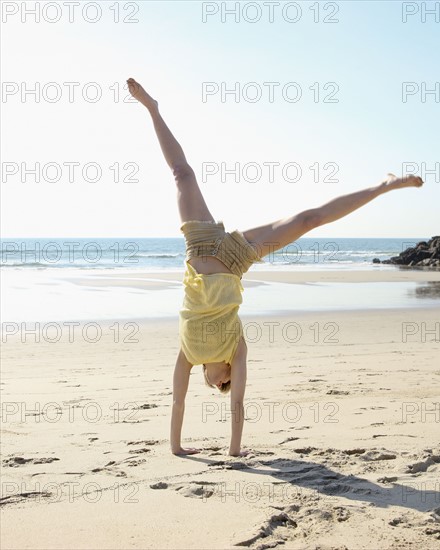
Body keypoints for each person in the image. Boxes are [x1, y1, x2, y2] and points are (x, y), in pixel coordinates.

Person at [126, 78, 423, 457]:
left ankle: (152, 108)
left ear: (208, 376)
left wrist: (176, 447)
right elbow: (239, 405)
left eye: (220, 384)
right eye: (227, 383)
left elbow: (177, 403)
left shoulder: (188, 354)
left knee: (183, 174)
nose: (225, 383)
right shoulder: (237, 350)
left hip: (199, 243)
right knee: (309, 219)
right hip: (234, 260)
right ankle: (384, 186)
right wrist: (235, 451)